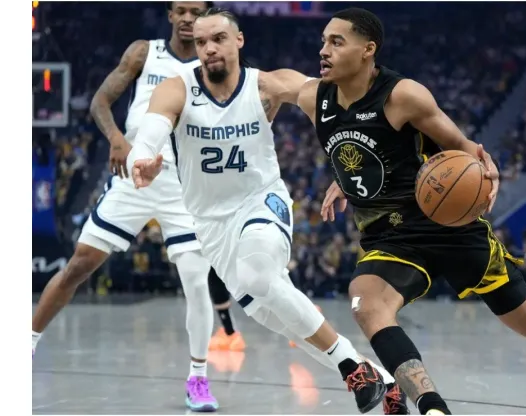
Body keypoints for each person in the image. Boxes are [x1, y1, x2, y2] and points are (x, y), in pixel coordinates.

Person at [295, 8, 526, 415]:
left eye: (336, 41)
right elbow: (274, 87)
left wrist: (487, 171)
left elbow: (462, 146)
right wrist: (343, 176)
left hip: (452, 227)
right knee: (366, 301)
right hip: (391, 236)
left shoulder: (403, 95)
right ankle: (433, 407)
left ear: (368, 50)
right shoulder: (317, 97)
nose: (323, 49)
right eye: (323, 40)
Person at [127, 8, 408, 414]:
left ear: (238, 41)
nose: (209, 48)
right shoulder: (177, 88)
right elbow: (151, 129)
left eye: (219, 39)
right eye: (202, 42)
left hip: (261, 201)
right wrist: (143, 157)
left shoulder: (269, 85)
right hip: (210, 224)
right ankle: (380, 377)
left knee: (259, 276)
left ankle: (351, 369)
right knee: (277, 315)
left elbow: (334, 110)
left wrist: (350, 167)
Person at [31, 2, 225, 411]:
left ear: (209, 15)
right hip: (134, 171)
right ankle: (25, 343)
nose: (188, 18)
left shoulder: (214, 62)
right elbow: (101, 101)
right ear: (170, 15)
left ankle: (198, 379)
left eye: (196, 11)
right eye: (181, 10)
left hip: (183, 183)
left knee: (194, 278)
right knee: (79, 265)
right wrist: (116, 138)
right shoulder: (144, 52)